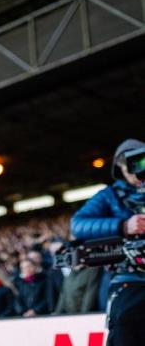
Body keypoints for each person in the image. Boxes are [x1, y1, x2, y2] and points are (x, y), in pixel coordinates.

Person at [71, 138, 145, 346]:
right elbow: (78, 225)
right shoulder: (109, 195)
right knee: (125, 330)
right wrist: (123, 225)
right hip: (129, 279)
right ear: (120, 166)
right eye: (131, 164)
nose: (137, 170)